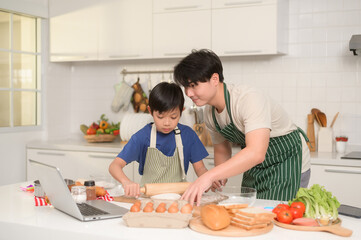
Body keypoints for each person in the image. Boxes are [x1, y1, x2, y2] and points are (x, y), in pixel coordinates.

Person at [173, 49, 311, 205]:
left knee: (277, 214)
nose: (188, 93)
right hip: (256, 165)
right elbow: (222, 150)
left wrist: (208, 176)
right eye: (186, 87)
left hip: (286, 159)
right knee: (251, 210)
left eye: (193, 85)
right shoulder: (209, 113)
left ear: (214, 79)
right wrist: (219, 177)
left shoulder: (248, 99)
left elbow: (256, 152)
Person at [109, 82, 209, 197]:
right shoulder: (142, 137)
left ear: (181, 111)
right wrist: (127, 182)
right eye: (160, 117)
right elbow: (114, 166)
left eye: (173, 117)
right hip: (148, 200)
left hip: (179, 200)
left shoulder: (188, 135)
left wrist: (208, 179)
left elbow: (200, 168)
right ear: (150, 111)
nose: (167, 123)